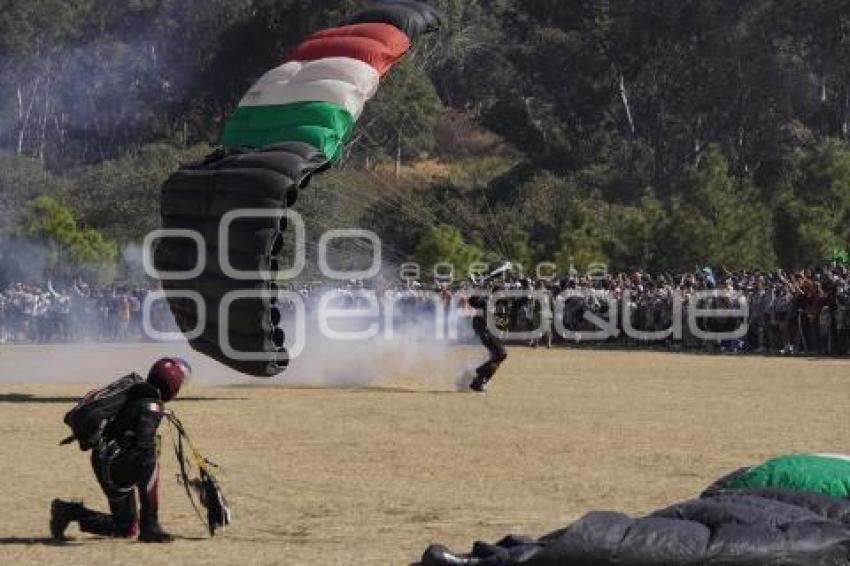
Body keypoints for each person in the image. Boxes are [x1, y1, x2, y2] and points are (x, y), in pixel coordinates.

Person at [49, 357, 192, 543]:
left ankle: (68, 512)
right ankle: (150, 524)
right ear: (172, 385)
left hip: (104, 459)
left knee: (126, 528)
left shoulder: (136, 390)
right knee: (149, 455)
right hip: (114, 464)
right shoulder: (151, 404)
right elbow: (144, 446)